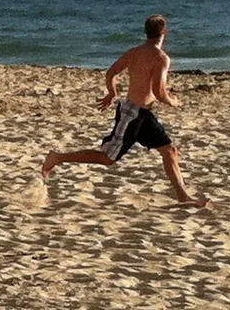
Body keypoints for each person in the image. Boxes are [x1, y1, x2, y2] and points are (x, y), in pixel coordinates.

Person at [42, 14, 210, 207]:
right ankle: (57, 157)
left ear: (146, 32)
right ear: (165, 32)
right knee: (107, 159)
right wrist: (172, 101)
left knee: (169, 151)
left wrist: (112, 93)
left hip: (144, 115)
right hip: (132, 114)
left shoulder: (134, 52)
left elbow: (111, 72)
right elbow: (158, 91)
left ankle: (182, 195)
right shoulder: (161, 58)